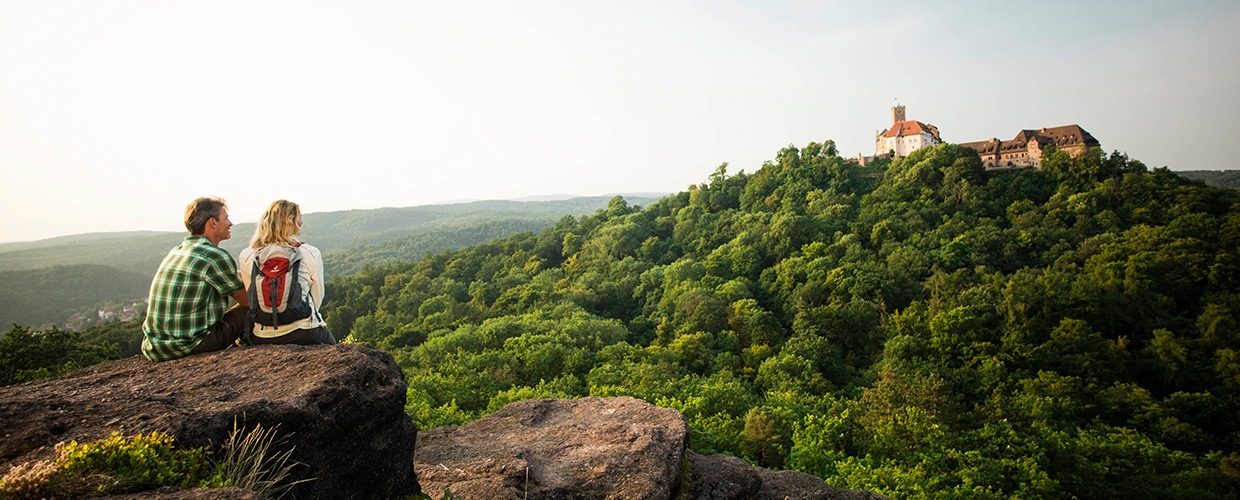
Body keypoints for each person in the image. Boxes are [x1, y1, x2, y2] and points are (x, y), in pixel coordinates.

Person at [141, 197, 249, 361]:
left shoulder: (178, 251)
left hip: (155, 347)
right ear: (212, 222)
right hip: (190, 345)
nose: (230, 223)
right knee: (247, 312)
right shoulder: (215, 256)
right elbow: (248, 301)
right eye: (226, 218)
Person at [238, 200, 336, 345]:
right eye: (299, 218)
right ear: (291, 221)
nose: (301, 222)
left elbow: (251, 294)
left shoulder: (247, 255)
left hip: (262, 334)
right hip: (304, 331)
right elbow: (317, 297)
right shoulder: (308, 252)